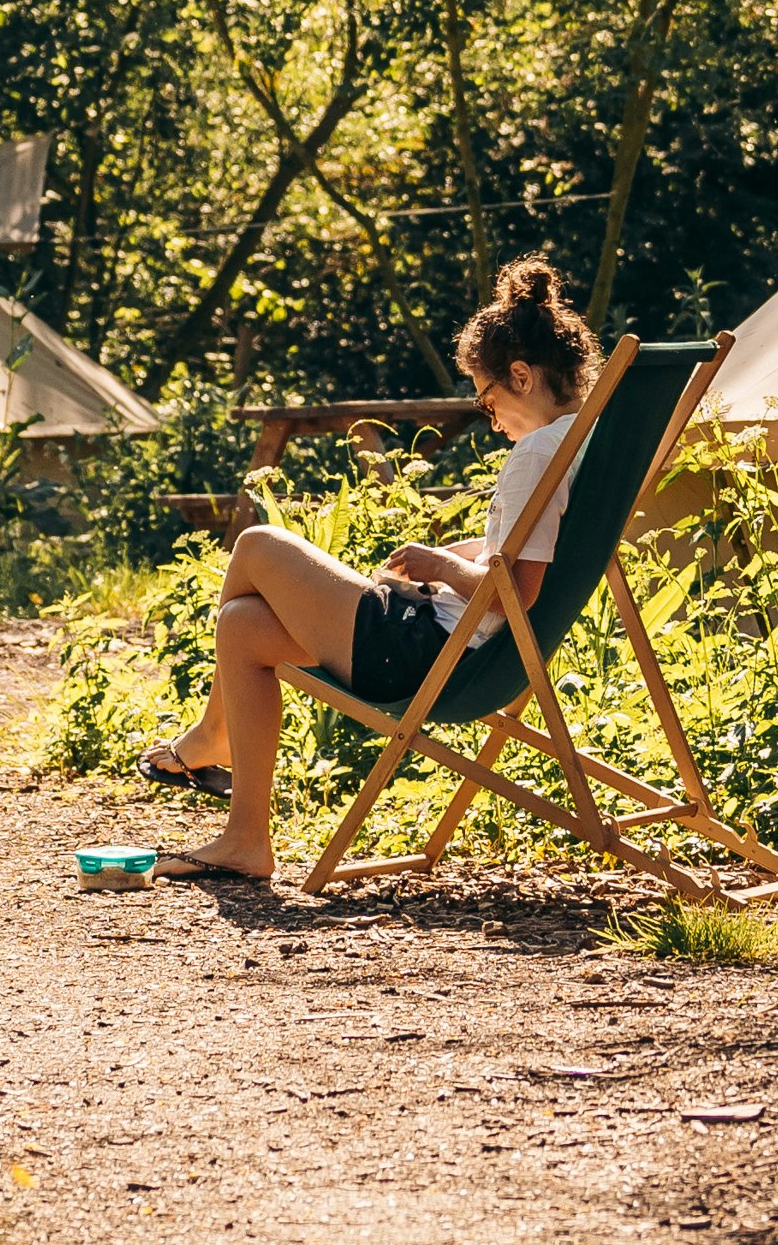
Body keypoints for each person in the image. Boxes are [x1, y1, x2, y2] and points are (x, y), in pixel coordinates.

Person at [138, 257, 603, 885]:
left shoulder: (534, 455)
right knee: (243, 627)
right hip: (452, 645)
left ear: (520, 375)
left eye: (487, 399)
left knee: (254, 542)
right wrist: (461, 556)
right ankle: (246, 839)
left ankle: (206, 737)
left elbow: (511, 595)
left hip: (427, 652)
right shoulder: (588, 443)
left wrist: (439, 563)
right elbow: (521, 555)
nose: (490, 419)